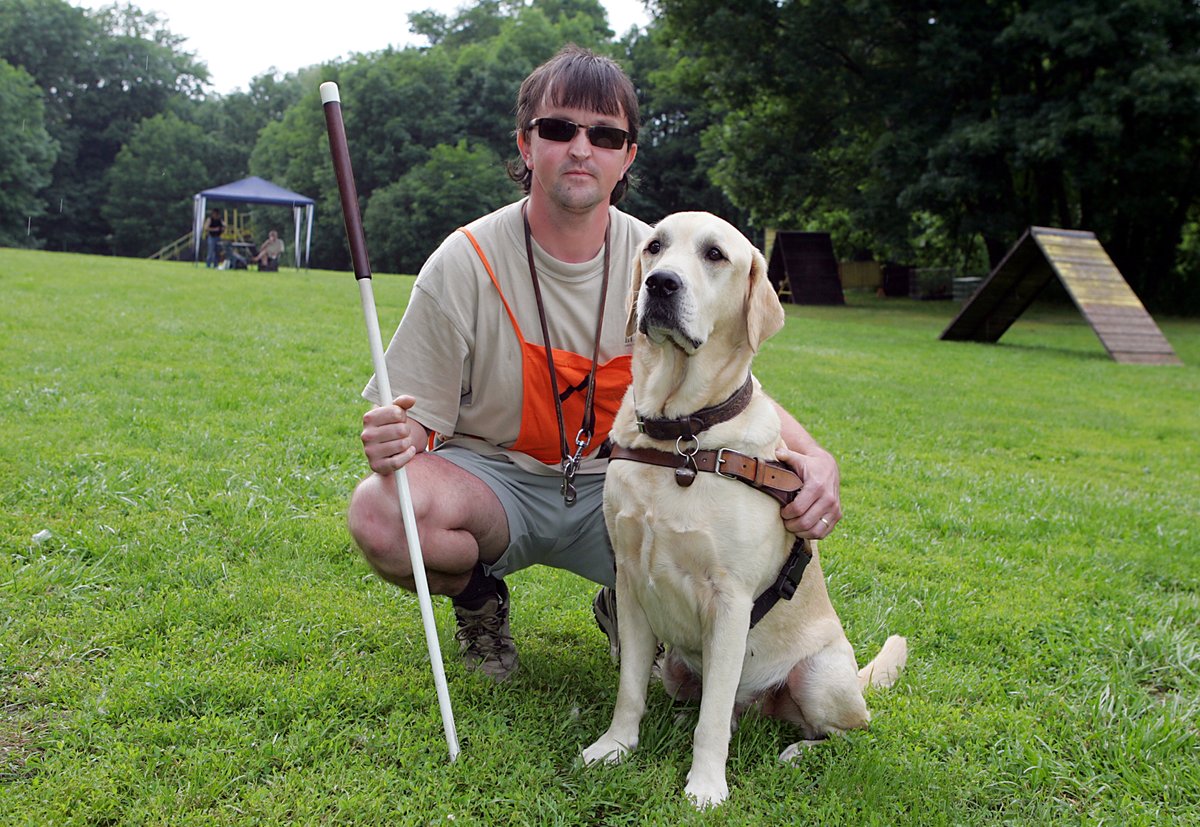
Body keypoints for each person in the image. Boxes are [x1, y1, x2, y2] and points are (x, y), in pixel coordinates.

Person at [346, 45, 842, 683]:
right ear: (526, 146)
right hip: (498, 488)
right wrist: (397, 433)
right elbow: (416, 418)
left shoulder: (664, 260)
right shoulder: (463, 259)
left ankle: (630, 603)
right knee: (379, 514)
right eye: (558, 128)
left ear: (626, 156)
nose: (582, 148)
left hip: (622, 489)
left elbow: (732, 387)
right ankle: (480, 606)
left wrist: (818, 459)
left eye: (605, 134)